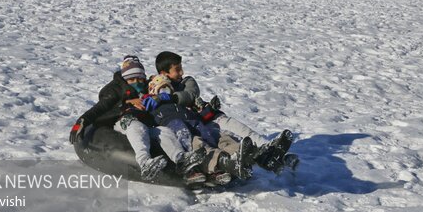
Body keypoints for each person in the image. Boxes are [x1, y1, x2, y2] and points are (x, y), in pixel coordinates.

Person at [154, 51, 298, 174]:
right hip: (196, 124)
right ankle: (259, 157)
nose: (182, 72)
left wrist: (173, 97)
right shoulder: (156, 87)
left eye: (181, 68)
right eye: (177, 70)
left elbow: (191, 93)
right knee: (230, 140)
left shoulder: (186, 82)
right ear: (164, 73)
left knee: (236, 127)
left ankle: (270, 148)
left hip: (208, 117)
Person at [69, 56, 206, 182]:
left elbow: (166, 89)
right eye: (132, 79)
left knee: (163, 131)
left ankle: (180, 159)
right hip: (122, 121)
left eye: (140, 78)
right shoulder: (115, 90)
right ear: (125, 79)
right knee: (136, 126)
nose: (137, 82)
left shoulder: (146, 87)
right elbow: (100, 108)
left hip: (143, 122)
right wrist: (82, 121)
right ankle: (144, 162)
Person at [143, 74, 254, 185]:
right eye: (162, 89)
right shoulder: (152, 107)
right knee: (199, 144)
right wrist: (150, 102)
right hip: (181, 131)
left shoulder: (180, 105)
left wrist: (210, 109)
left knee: (220, 136)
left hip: (196, 124)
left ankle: (241, 154)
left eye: (168, 89)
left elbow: (198, 115)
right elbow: (144, 116)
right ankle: (222, 162)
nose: (166, 93)